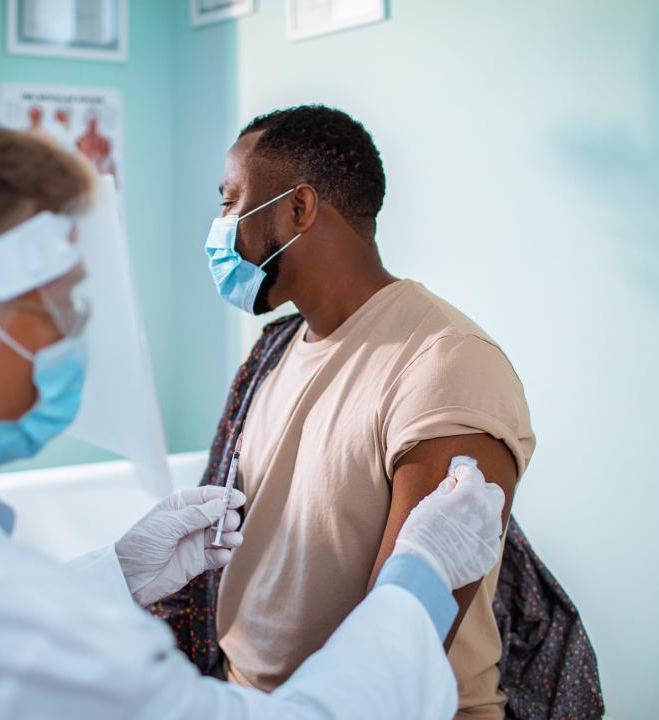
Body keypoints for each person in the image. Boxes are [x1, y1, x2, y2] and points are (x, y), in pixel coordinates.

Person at [0, 110, 506, 719]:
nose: (68, 334)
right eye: (51, 307)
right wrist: (423, 576)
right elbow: (1, 635)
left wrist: (114, 574)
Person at [189, 105, 537, 718]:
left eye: (231, 200)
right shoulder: (276, 350)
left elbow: (405, 654)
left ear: (297, 208)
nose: (221, 227)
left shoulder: (445, 363)